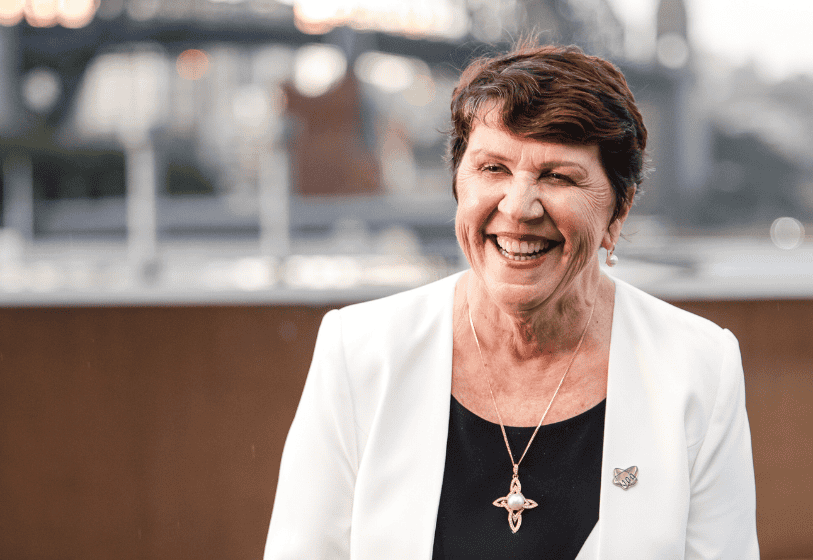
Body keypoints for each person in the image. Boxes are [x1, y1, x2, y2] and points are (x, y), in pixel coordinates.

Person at [264, 41, 759, 559]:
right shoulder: (359, 353)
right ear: (458, 185)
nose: (519, 207)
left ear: (618, 211)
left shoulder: (700, 366)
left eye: (558, 175)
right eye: (493, 169)